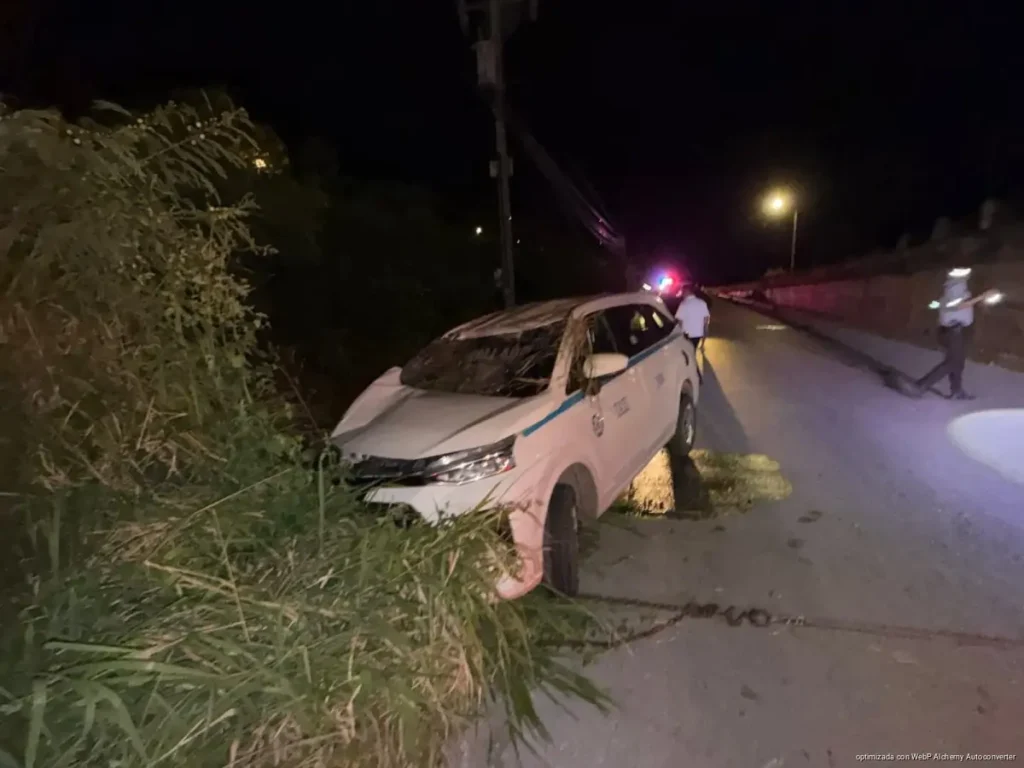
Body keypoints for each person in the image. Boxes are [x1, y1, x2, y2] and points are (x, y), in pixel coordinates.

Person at [906, 267, 998, 400]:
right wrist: (982, 296)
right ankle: (921, 386)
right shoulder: (951, 292)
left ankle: (957, 391)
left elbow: (966, 305)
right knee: (951, 363)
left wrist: (983, 302)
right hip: (952, 332)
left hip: (956, 331)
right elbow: (960, 306)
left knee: (958, 363)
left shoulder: (961, 291)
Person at [674, 284, 710, 377]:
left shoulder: (683, 304)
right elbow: (706, 319)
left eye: (682, 292)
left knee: (690, 354)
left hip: (687, 334)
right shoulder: (702, 303)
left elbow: (679, 321)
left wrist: (679, 333)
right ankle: (695, 374)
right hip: (698, 334)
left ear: (687, 292)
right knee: (691, 352)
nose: (681, 294)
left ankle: (696, 375)